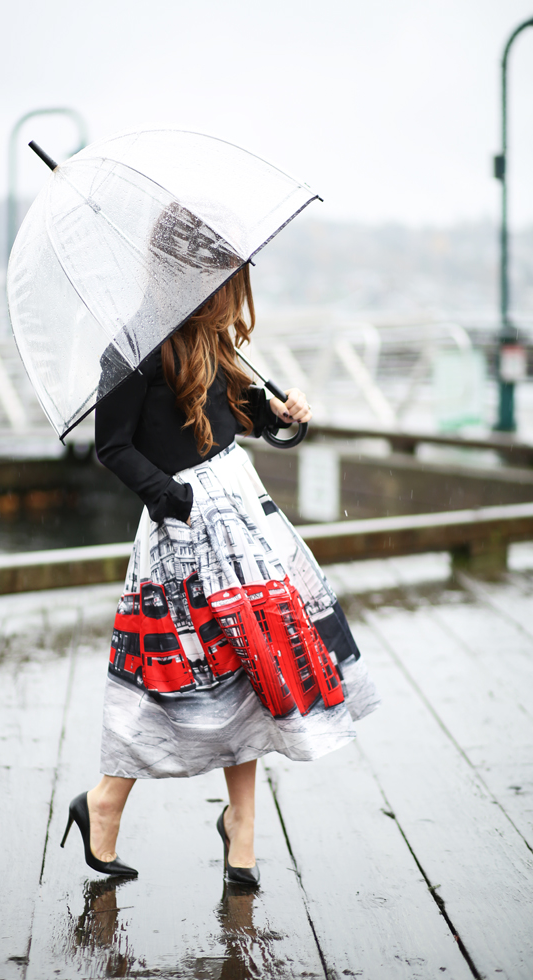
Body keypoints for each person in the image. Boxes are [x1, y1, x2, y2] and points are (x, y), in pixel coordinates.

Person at [60, 264, 380, 886]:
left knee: (254, 662)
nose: (235, 294)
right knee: (168, 672)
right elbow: (112, 446)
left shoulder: (210, 336)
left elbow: (232, 411)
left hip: (243, 513)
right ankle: (104, 801)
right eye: (224, 279)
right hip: (182, 533)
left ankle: (243, 831)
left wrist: (280, 413)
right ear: (189, 275)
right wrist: (172, 499)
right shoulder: (130, 349)